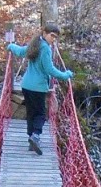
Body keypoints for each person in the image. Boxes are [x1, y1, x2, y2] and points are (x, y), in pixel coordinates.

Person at [5, 25, 74, 155]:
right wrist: (66, 75)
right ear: (45, 33)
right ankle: (36, 136)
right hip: (38, 87)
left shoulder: (35, 44)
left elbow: (20, 51)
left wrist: (10, 46)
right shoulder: (46, 49)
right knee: (41, 114)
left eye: (56, 37)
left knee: (31, 112)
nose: (53, 39)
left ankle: (31, 138)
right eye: (52, 36)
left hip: (26, 85)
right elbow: (50, 69)